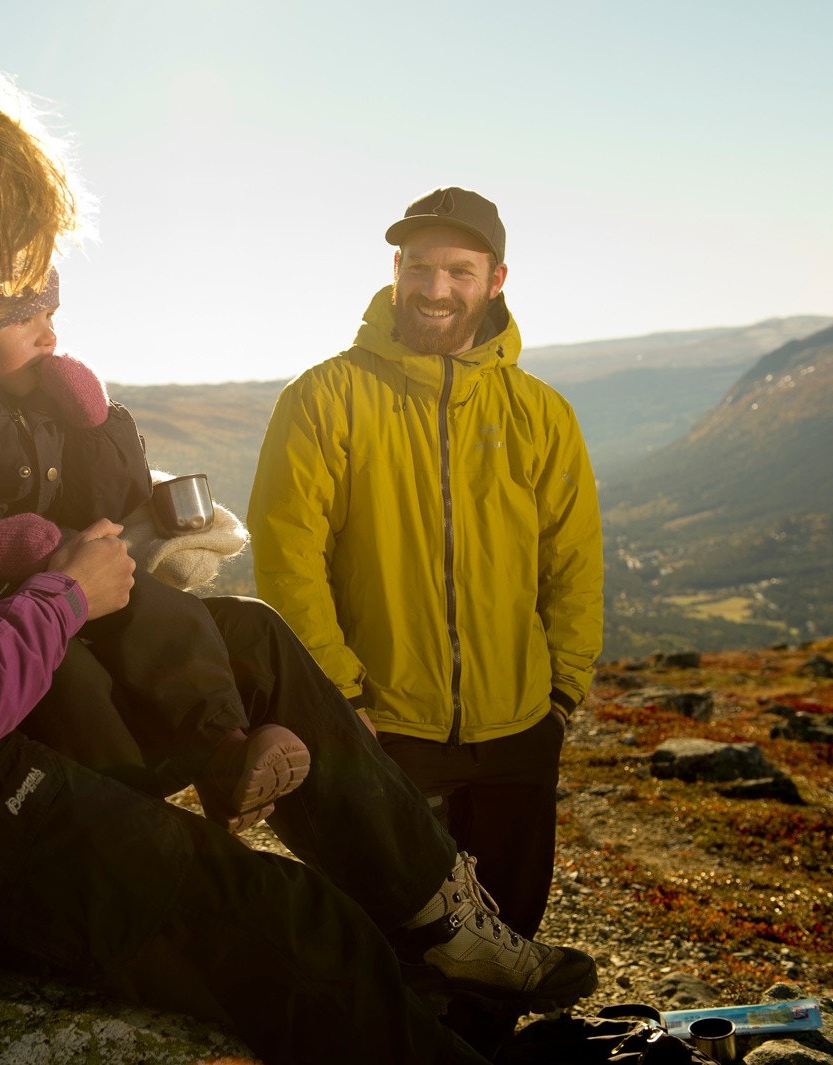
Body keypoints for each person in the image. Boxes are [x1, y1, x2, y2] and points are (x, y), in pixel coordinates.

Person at [0, 67, 596, 1065]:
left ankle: (440, 919)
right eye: (4, 261)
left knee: (247, 636)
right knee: (285, 924)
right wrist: (67, 592)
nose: (2, 292)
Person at [248, 186, 604, 1047]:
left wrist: (562, 694)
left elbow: (573, 564)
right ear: (396, 269)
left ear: (496, 279)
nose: (435, 288)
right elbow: (288, 556)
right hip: (385, 727)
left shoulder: (542, 413)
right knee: (394, 949)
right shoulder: (325, 396)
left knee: (506, 947)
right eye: (420, 267)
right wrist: (339, 695)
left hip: (519, 728)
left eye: (459, 271)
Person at [0, 269, 311, 829]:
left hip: (66, 572)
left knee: (155, 607)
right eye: (24, 321)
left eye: (50, 316)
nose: (48, 336)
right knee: (73, 681)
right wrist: (6, 545)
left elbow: (113, 501)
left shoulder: (42, 403)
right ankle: (134, 821)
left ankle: (221, 746)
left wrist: (95, 423)